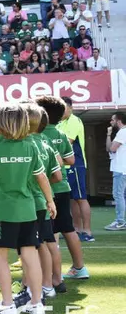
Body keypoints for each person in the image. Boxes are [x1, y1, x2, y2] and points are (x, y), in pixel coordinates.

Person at [0, 103, 54, 314]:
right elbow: (42, 177)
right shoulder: (31, 147)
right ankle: (36, 302)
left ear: (1, 125)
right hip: (28, 210)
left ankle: (7, 303)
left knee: (0, 256)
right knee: (30, 254)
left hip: (4, 213)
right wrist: (50, 201)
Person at [11, 103, 63, 307]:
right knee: (44, 244)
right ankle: (48, 286)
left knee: (30, 247)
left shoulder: (22, 145)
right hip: (41, 201)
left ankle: (30, 286)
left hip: (25, 204)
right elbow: (57, 175)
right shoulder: (46, 145)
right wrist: (45, 191)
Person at [35, 96, 87, 290]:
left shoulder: (37, 136)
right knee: (68, 228)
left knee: (47, 235)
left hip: (44, 190)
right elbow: (71, 160)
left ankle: (47, 278)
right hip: (62, 187)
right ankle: (79, 268)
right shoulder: (61, 134)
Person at [58, 96, 95, 245]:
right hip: (64, 166)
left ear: (71, 107)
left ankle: (87, 231)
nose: (62, 112)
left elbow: (68, 142)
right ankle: (77, 229)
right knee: (73, 198)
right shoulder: (60, 123)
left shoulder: (74, 121)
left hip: (76, 164)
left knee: (81, 197)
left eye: (64, 109)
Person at [106, 112, 126, 230]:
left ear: (118, 121)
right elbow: (108, 148)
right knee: (121, 195)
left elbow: (112, 149)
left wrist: (110, 137)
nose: (111, 122)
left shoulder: (122, 132)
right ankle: (120, 220)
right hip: (121, 168)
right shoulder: (121, 132)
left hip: (120, 169)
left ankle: (120, 221)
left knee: (118, 195)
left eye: (112, 120)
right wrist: (108, 135)